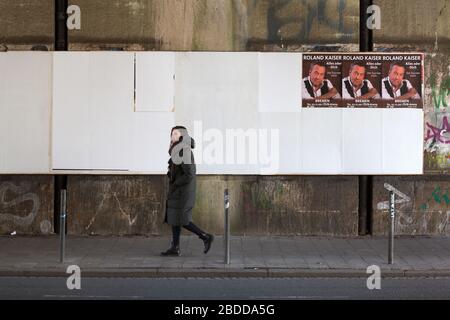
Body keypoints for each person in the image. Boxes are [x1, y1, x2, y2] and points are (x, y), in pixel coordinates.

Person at [161, 125, 214, 256]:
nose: (172, 136)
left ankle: (205, 236)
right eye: (171, 133)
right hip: (178, 191)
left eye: (175, 133)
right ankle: (175, 248)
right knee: (174, 218)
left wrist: (175, 184)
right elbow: (179, 170)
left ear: (181, 136)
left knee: (183, 219)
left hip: (182, 192)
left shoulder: (184, 150)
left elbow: (189, 173)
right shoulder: (178, 150)